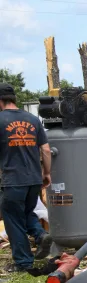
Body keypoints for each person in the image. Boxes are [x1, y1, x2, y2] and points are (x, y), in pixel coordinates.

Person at [0, 83, 53, 273]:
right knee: (26, 213)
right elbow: (46, 150)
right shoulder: (33, 119)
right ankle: (40, 235)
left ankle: (23, 263)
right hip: (33, 179)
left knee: (13, 219)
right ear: (14, 98)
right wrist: (46, 173)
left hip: (13, 180)